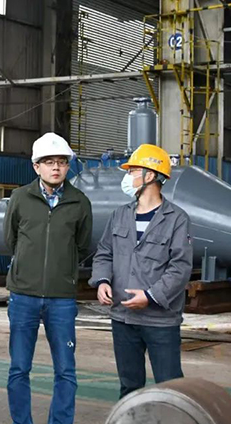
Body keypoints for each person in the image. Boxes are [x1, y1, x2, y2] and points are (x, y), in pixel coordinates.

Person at [3, 132, 92, 424]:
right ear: (36, 166)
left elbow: (82, 245)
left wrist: (61, 271)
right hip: (23, 296)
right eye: (49, 162)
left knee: (65, 370)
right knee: (19, 368)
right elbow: (11, 239)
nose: (56, 167)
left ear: (68, 166)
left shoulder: (80, 202)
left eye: (62, 162)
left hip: (61, 298)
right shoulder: (20, 198)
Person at [89, 144, 193, 399]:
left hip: (160, 320)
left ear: (150, 175)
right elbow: (104, 252)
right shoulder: (119, 215)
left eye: (132, 170)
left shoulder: (176, 219)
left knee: (170, 387)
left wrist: (150, 296)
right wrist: (102, 280)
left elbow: (180, 266)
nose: (128, 177)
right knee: (129, 386)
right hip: (123, 317)